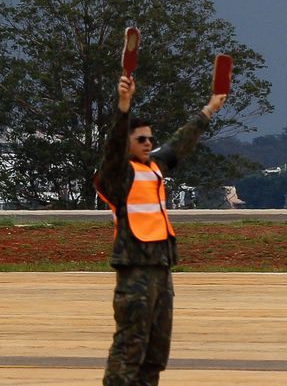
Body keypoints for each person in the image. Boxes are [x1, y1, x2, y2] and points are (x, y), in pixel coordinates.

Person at [94, 73, 225, 385]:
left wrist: (209, 109)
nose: (149, 143)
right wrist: (123, 107)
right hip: (135, 274)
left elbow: (180, 141)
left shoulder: (154, 167)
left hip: (161, 271)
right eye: (141, 139)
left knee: (155, 355)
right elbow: (112, 148)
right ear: (126, 143)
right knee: (129, 350)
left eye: (150, 139)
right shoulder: (117, 176)